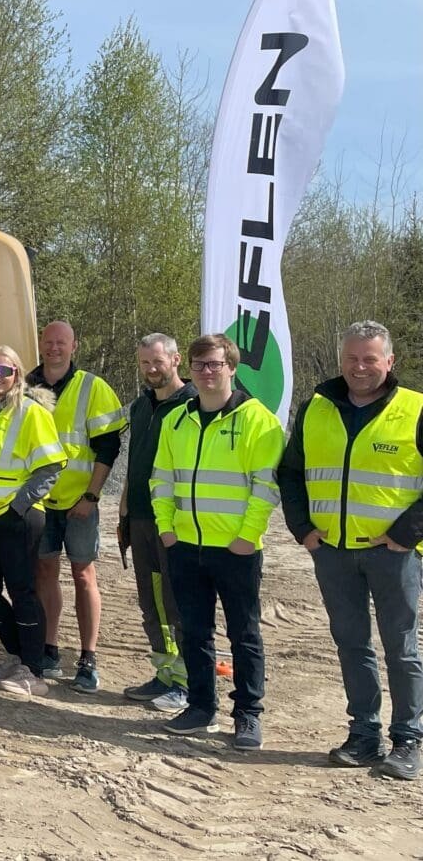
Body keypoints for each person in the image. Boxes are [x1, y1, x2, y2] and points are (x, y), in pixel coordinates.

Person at [278, 320, 423, 780]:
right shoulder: (315, 408)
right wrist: (303, 529)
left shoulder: (415, 409)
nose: (360, 367)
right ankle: (364, 734)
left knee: (401, 648)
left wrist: (407, 533)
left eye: (370, 358)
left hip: (394, 554)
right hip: (333, 553)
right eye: (352, 359)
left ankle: (408, 740)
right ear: (341, 361)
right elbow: (291, 473)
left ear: (389, 361)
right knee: (351, 643)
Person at [151, 334, 284, 750]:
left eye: (214, 364)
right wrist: (167, 528)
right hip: (185, 546)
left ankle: (247, 715)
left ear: (231, 366)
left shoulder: (258, 420)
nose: (207, 372)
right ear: (188, 369)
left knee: (244, 634)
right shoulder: (176, 419)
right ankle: (200, 706)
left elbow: (266, 487)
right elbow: (161, 479)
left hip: (235, 550)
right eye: (199, 365)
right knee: (193, 631)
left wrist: (248, 537)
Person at [0, 346, 66, 697]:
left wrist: (18, 506)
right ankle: (20, 653)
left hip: (16, 517)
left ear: (17, 375)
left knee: (23, 591)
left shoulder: (30, 411)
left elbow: (51, 465)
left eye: (5, 371)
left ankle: (33, 670)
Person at [27, 320, 126, 692]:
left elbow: (108, 447)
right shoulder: (25, 386)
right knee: (44, 573)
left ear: (74, 346)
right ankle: (49, 649)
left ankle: (87, 658)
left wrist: (91, 496)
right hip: (38, 501)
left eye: (61, 343)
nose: (54, 348)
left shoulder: (92, 387)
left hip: (79, 502)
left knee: (84, 575)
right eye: (48, 342)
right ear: (40, 344)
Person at [117, 334, 194, 712]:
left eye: (157, 362)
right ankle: (165, 673)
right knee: (151, 604)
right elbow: (135, 463)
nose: (151, 369)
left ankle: (188, 682)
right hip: (141, 519)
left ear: (176, 360)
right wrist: (124, 511)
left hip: (175, 522)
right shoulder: (140, 406)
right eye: (145, 362)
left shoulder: (193, 405)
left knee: (177, 603)